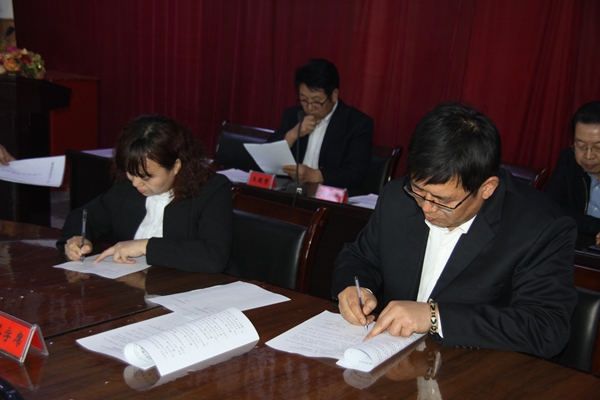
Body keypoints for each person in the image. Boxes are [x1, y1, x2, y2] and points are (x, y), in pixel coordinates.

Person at [332, 102, 577, 359]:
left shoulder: (540, 227)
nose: (426, 207)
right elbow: (359, 256)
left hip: (477, 368)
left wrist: (435, 317)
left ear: (487, 188)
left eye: (443, 200)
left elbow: (546, 327)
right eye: (419, 191)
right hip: (393, 358)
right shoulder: (398, 197)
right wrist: (354, 289)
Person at [57, 114, 233, 272]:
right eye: (130, 173)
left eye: (147, 177)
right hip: (132, 284)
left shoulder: (211, 189)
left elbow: (214, 256)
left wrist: (146, 246)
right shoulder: (127, 187)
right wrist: (77, 239)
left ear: (176, 166)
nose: (135, 183)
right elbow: (83, 216)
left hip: (189, 288)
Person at [267, 58, 373, 194]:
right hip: (291, 193)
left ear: (334, 95)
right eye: (304, 99)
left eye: (316, 101)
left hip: (332, 198)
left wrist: (314, 175)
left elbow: (355, 172)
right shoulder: (293, 115)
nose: (310, 107)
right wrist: (293, 134)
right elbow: (266, 157)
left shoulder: (357, 124)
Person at [544, 101, 600, 245]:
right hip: (575, 249)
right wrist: (596, 226)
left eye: (598, 148)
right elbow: (549, 208)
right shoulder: (568, 160)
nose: (588, 156)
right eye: (580, 146)